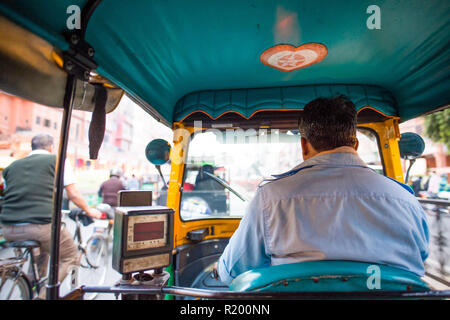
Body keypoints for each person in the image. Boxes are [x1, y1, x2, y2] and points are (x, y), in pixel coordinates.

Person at [216, 96, 429, 286]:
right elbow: (421, 256)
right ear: (355, 145)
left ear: (304, 145)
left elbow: (232, 272)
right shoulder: (406, 201)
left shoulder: (270, 199)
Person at [0, 134, 102, 296]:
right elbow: (73, 194)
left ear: (32, 147)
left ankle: (31, 288)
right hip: (39, 225)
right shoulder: (57, 161)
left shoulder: (12, 167)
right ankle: (43, 296)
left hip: (8, 228)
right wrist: (90, 210)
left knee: (43, 252)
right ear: (51, 147)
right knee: (70, 256)